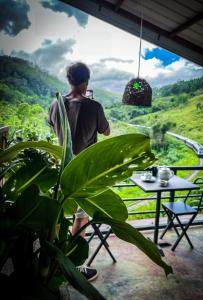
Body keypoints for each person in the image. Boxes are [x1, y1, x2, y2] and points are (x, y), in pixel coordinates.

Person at [48, 62, 110, 281]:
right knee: (80, 218)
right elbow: (107, 132)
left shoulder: (56, 104)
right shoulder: (94, 107)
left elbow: (53, 127)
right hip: (83, 174)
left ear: (69, 79)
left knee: (56, 216)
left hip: (59, 170)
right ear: (87, 81)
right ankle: (74, 267)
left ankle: (52, 262)